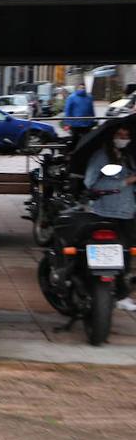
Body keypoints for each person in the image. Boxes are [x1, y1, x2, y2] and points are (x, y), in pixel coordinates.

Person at [83, 126, 136, 312]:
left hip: (127, 213)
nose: (123, 138)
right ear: (111, 136)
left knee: (125, 254)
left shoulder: (128, 157)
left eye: (127, 135)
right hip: (104, 211)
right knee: (101, 252)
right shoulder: (101, 157)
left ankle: (122, 294)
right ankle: (94, 290)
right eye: (120, 134)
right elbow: (90, 183)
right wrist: (125, 181)